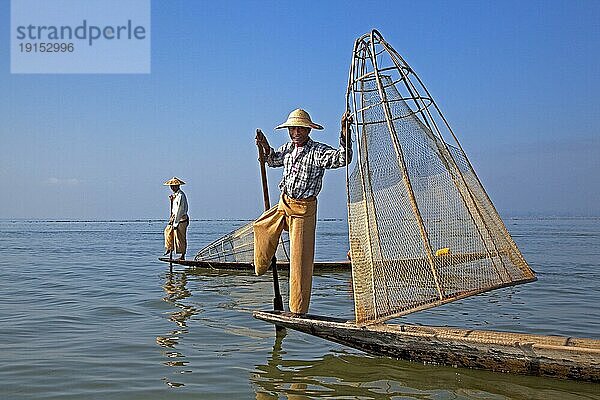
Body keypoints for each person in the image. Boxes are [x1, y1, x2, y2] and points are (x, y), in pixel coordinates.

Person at [253, 108, 352, 315]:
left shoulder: (317, 151)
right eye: (292, 129)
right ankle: (261, 266)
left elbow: (342, 159)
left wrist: (344, 132)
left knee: (299, 261)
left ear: (308, 130)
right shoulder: (288, 148)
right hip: (284, 203)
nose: (296, 132)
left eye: (300, 129)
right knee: (261, 226)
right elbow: (272, 161)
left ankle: (297, 310)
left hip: (303, 210)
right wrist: (265, 147)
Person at [163, 177, 189, 261]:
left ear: (178, 186)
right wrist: (172, 199)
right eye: (171, 186)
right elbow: (175, 208)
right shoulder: (176, 195)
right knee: (168, 231)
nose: (172, 188)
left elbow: (180, 210)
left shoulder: (181, 195)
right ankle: (169, 247)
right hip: (175, 218)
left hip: (181, 219)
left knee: (181, 237)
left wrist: (175, 223)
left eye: (174, 186)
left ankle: (182, 256)